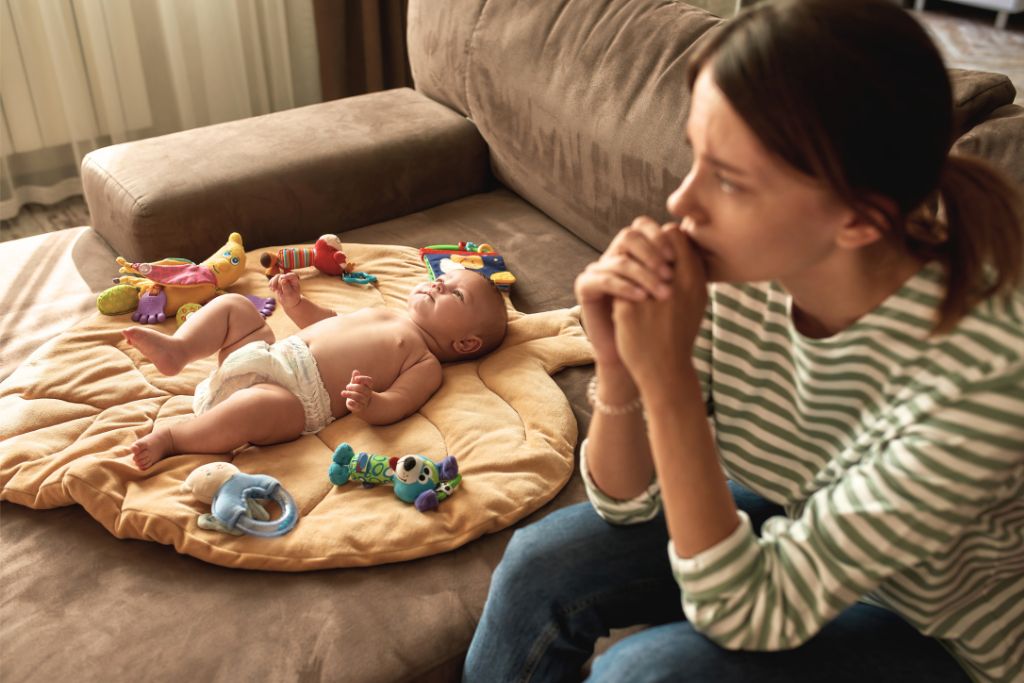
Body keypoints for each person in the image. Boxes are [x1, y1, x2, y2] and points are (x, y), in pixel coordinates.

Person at [463, 1, 1023, 681]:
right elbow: (623, 500)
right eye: (698, 156)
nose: (681, 203)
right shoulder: (740, 273)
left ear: (857, 221)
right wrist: (618, 365)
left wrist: (665, 376)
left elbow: (747, 609)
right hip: (808, 523)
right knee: (537, 565)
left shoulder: (986, 381)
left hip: (944, 637)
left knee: (647, 673)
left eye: (728, 180)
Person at [124, 268, 508, 469]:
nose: (439, 284)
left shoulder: (424, 362)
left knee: (259, 406)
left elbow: (398, 404)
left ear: (466, 344)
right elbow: (328, 321)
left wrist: (371, 402)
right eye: (442, 279)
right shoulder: (385, 310)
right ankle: (179, 350)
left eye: (455, 293)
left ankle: (174, 439)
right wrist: (296, 306)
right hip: (269, 355)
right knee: (237, 309)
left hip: (294, 399)